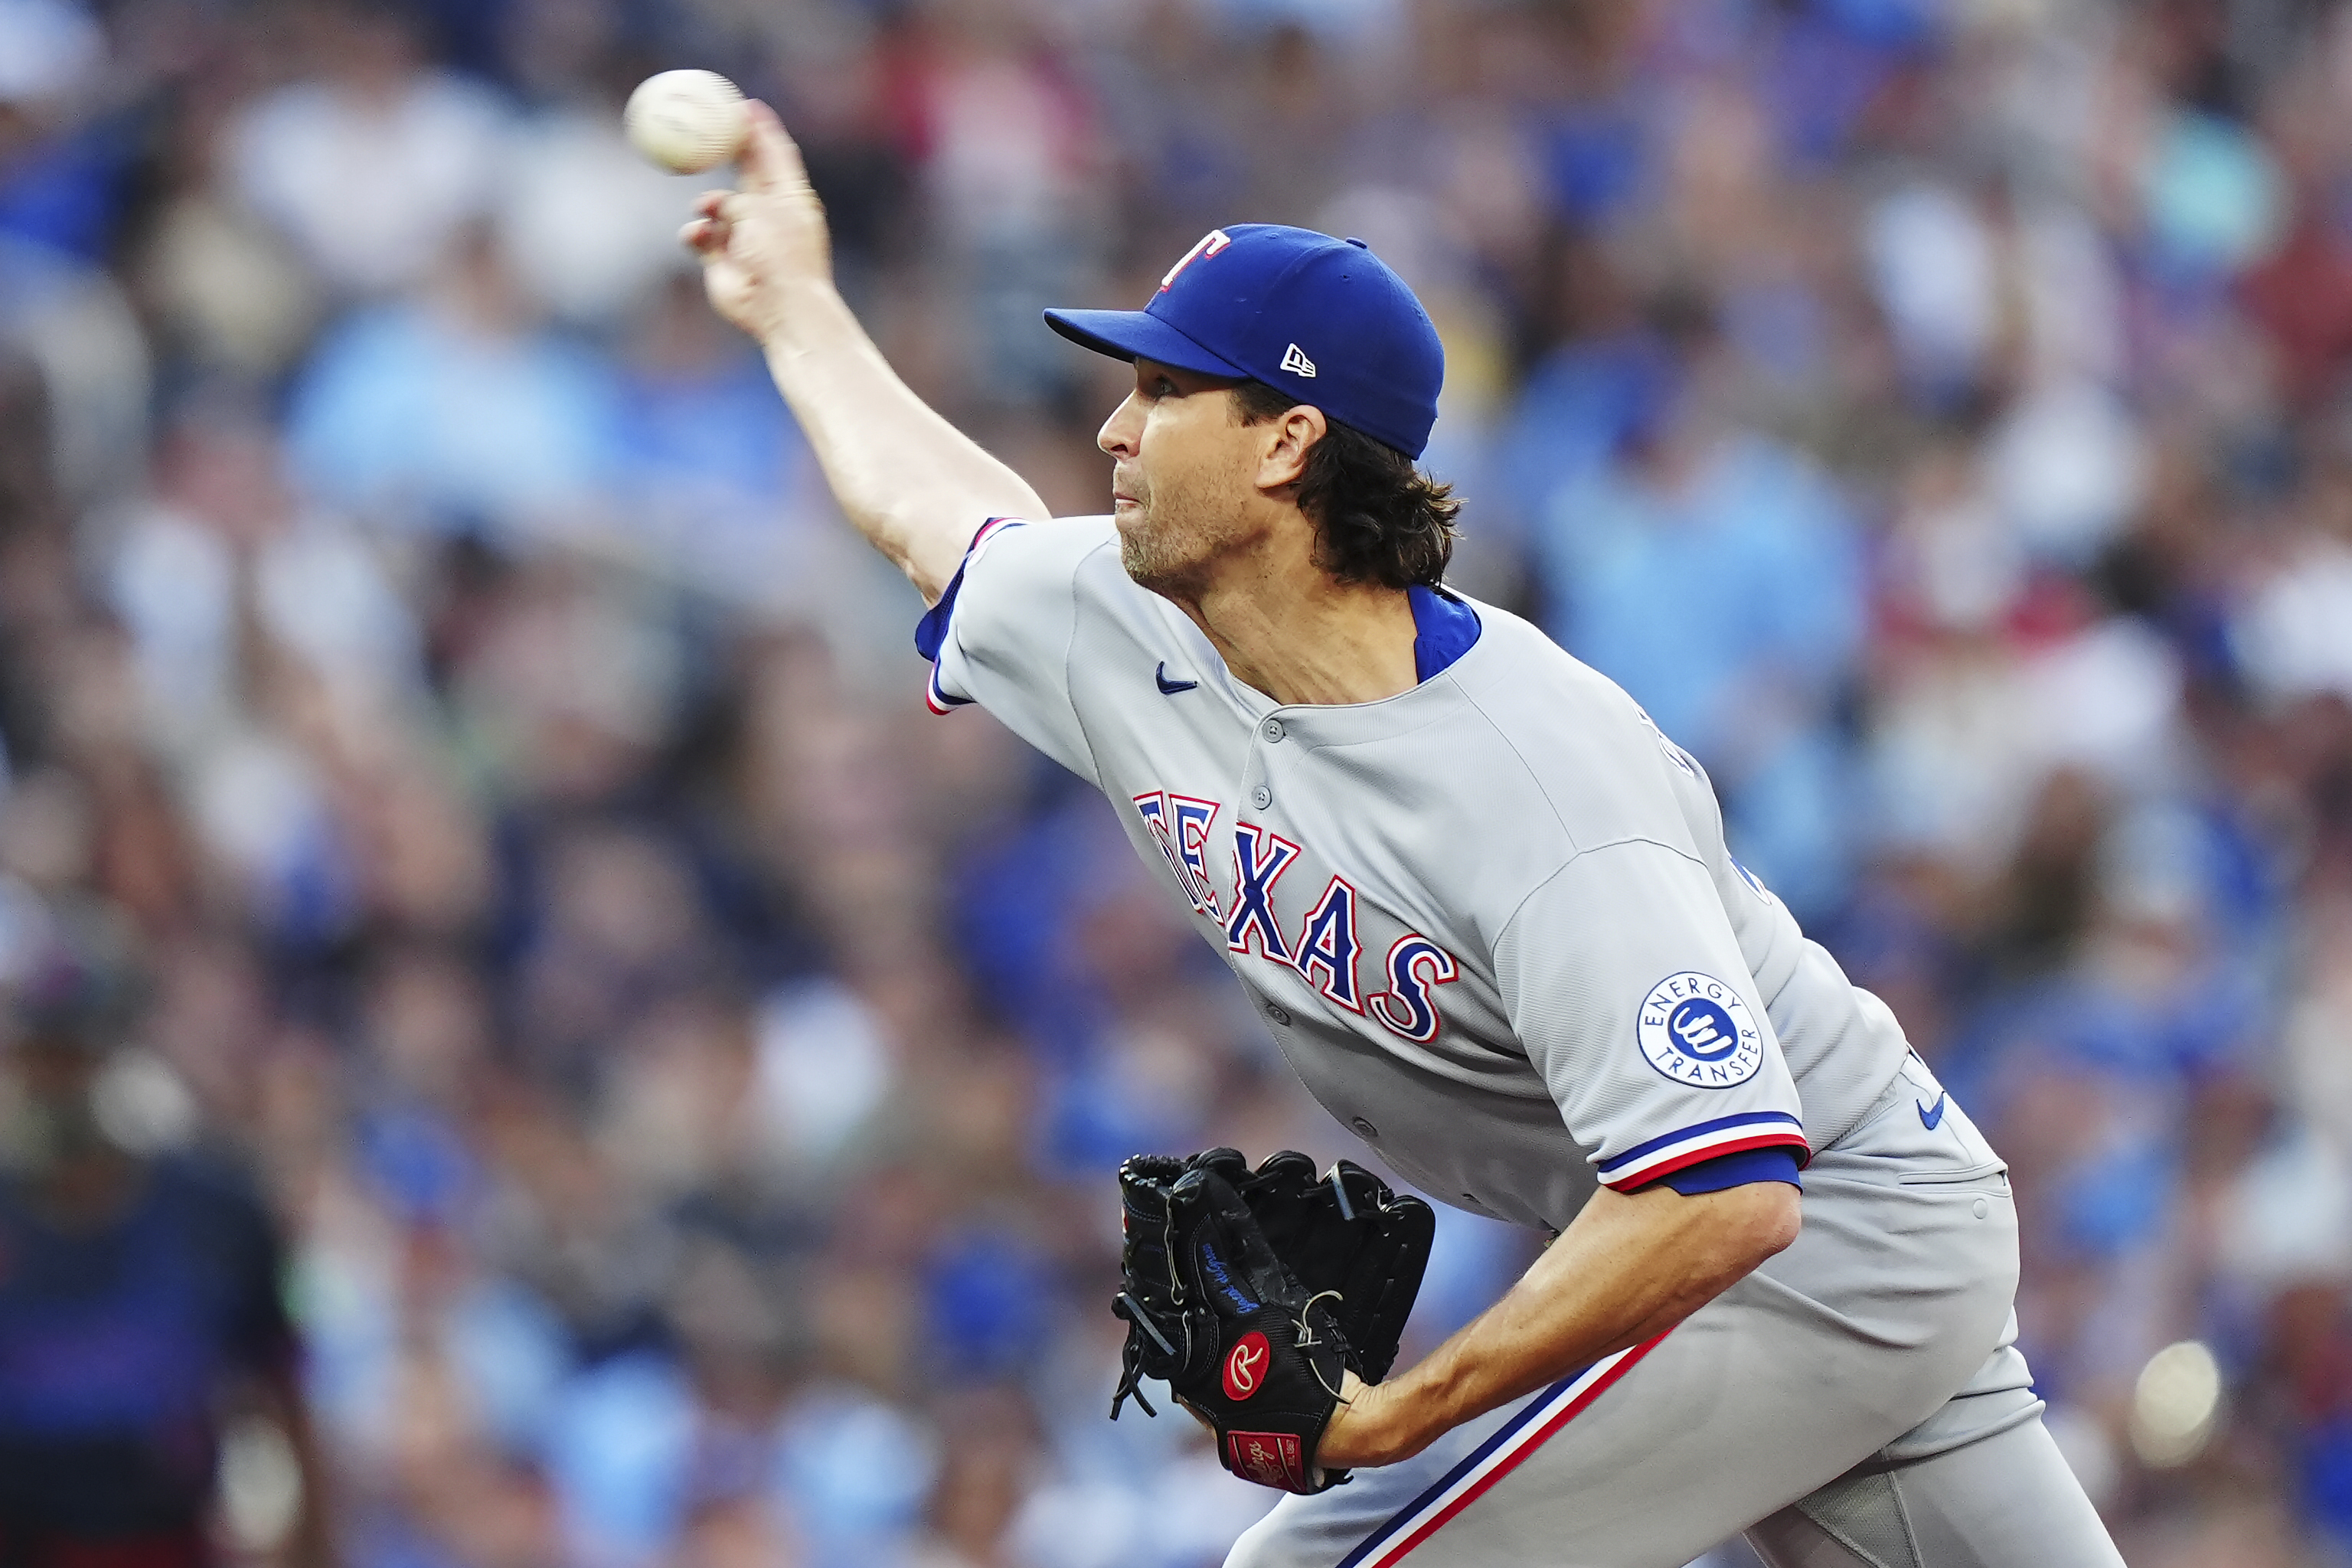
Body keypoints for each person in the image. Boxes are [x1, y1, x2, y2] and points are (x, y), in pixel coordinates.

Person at [679, 103, 2126, 1568]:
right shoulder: (1134, 619)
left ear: (1286, 442)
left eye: (1165, 390)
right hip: (1762, 1238)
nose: (1113, 428)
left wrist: (1400, 1410)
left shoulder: (1538, 786)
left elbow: (1727, 1193)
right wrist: (794, 301)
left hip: (1824, 1238)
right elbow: (941, 519)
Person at [0, 910, 333, 1568]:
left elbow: (285, 1399)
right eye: (45, 1051)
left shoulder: (218, 1210)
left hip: (175, 1541)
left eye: (86, 1047)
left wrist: (312, 1545)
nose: (66, 1075)